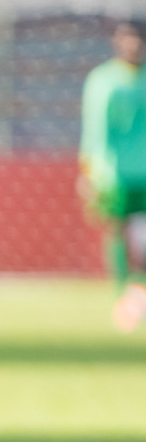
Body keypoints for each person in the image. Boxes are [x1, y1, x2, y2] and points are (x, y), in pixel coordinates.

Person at [80, 20, 146, 332]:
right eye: (128, 40)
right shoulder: (104, 80)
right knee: (117, 231)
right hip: (114, 175)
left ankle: (138, 290)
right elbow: (94, 129)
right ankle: (123, 296)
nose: (133, 46)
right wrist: (89, 172)